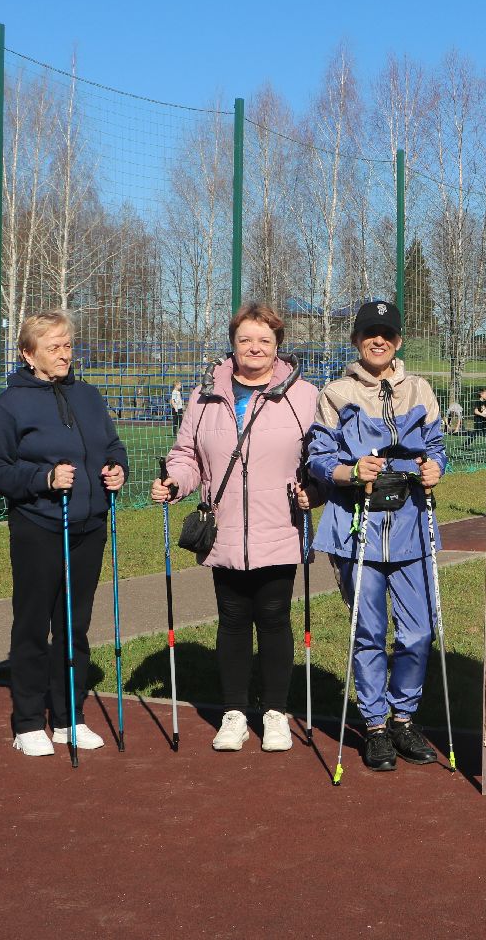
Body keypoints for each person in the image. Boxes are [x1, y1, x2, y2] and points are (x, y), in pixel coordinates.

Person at [153, 304, 319, 753]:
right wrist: (175, 482)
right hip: (224, 528)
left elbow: (319, 458)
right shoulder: (205, 394)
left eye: (265, 340)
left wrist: (313, 490)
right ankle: (234, 713)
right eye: (246, 339)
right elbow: (187, 454)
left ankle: (276, 713)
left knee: (273, 617)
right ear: (232, 343)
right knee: (231, 620)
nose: (255, 348)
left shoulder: (304, 395)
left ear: (278, 346)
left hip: (279, 524)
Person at [306, 299, 446, 771]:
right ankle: (376, 726)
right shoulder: (336, 392)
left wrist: (434, 468)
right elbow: (318, 456)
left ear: (399, 340)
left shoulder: (420, 388)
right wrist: (348, 471)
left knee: (418, 631)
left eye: (386, 332)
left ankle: (404, 718)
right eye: (369, 332)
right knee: (368, 631)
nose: (378, 340)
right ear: (357, 340)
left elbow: (438, 447)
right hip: (356, 528)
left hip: (410, 524)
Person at [0, 309, 127, 758]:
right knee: (33, 623)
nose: (65, 354)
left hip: (89, 524)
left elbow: (111, 444)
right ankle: (28, 721)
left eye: (68, 345)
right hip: (39, 527)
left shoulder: (88, 395)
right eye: (54, 347)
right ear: (28, 354)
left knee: (74, 625)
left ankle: (68, 717)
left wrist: (117, 468)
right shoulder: (9, 405)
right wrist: (43, 479)